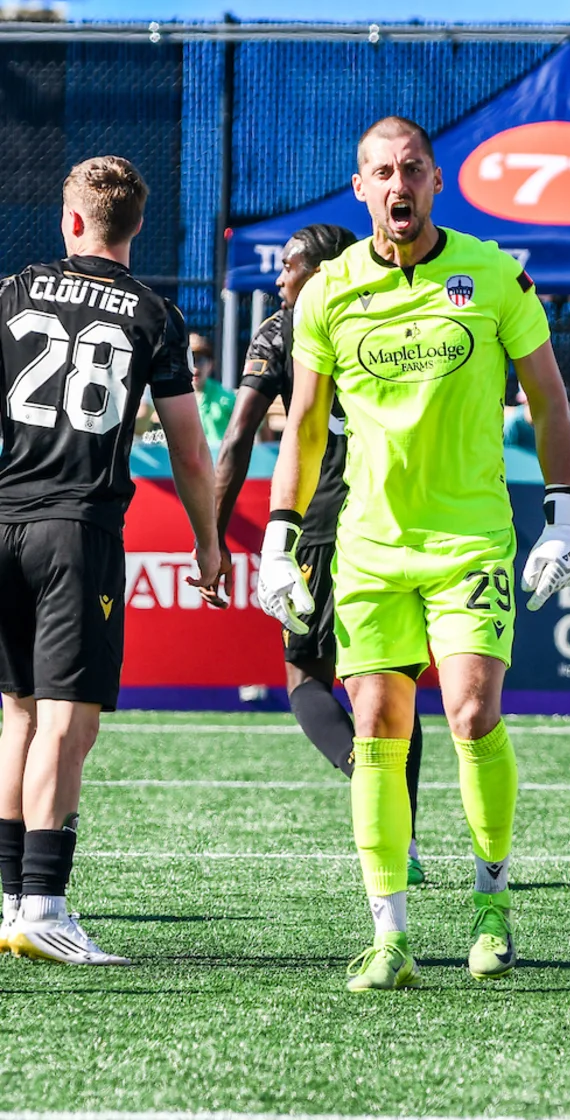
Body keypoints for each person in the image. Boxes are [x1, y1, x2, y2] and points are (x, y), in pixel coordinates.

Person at [257, 116, 570, 991]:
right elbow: (305, 428)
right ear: (359, 188)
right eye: (380, 173)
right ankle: (389, 934)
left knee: (473, 713)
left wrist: (565, 516)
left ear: (436, 182)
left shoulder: (495, 273)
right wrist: (279, 537)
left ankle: (491, 907)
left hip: (470, 535)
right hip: (368, 545)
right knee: (377, 728)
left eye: (411, 170)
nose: (397, 185)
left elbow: (550, 401)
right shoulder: (326, 294)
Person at [0, 156, 220, 965]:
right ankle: (44, 908)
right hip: (77, 530)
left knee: (17, 713)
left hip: (6, 519)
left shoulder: (15, 292)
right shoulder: (153, 315)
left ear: (69, 222)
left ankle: (12, 903)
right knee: (68, 721)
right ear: (135, 228)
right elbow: (191, 453)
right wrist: (206, 540)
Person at [205, 224, 425, 884]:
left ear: (325, 268)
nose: (279, 278)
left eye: (291, 266)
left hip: (319, 523)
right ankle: (404, 842)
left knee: (306, 679)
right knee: (393, 686)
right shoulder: (394, 312)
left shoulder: (284, 330)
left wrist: (212, 533)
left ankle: (368, 776)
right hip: (395, 522)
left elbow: (237, 437)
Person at [190, 333, 236, 443]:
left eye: (200, 360)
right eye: (189, 360)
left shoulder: (228, 399)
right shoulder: (172, 400)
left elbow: (259, 428)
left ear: (211, 364)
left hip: (218, 458)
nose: (195, 368)